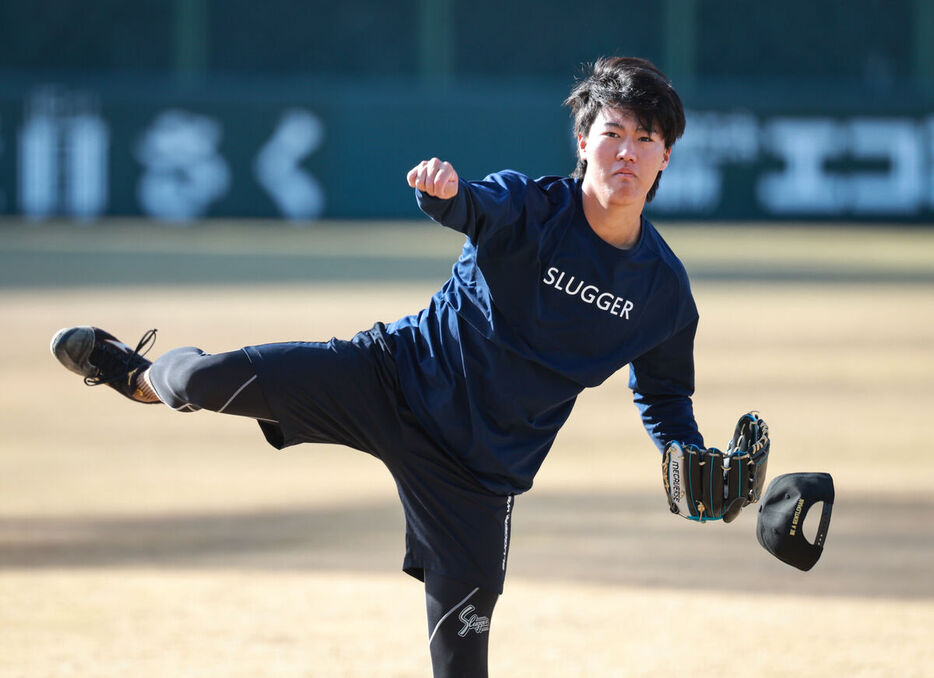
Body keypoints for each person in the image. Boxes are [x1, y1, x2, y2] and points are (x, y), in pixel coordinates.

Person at [51, 57, 759, 677]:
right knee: (202, 382)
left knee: (462, 659)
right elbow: (472, 206)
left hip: (478, 474)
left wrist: (685, 452)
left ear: (667, 157)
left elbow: (664, 395)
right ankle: (137, 379)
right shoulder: (530, 206)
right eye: (613, 134)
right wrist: (443, 194)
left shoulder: (663, 292)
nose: (626, 153)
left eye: (646, 139)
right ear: (583, 143)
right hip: (387, 380)